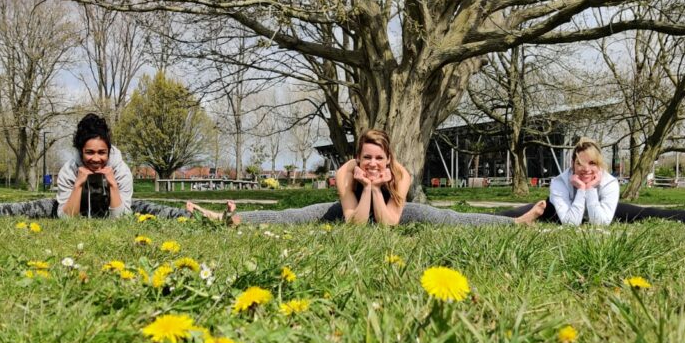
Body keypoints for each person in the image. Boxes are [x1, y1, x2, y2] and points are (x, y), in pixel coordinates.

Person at [188, 129, 547, 226]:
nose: (373, 163)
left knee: (452, 218)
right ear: (358, 158)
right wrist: (365, 188)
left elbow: (388, 223)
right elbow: (356, 224)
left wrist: (377, 188)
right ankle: (225, 217)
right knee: (293, 216)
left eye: (378, 158)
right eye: (367, 157)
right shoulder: (346, 173)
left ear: (388, 158)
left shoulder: (400, 175)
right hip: (351, 212)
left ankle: (516, 223)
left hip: (395, 211)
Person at [0, 114, 191, 219]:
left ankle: (215, 218)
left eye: (102, 152)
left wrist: (111, 183)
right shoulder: (70, 169)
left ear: (109, 151)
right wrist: (79, 183)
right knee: (19, 209)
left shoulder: (120, 169)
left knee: (154, 210)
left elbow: (120, 219)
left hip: (115, 205)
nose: (96, 158)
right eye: (90, 152)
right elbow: (66, 219)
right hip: (70, 206)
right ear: (80, 151)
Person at [496, 138, 685, 224]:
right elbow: (570, 223)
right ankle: (477, 218)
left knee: (651, 213)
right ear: (572, 163)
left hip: (601, 209)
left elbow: (599, 223)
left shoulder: (610, 184)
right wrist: (580, 191)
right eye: (579, 163)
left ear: (600, 164)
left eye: (592, 163)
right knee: (521, 211)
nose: (585, 168)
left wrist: (589, 190)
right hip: (564, 210)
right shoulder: (559, 182)